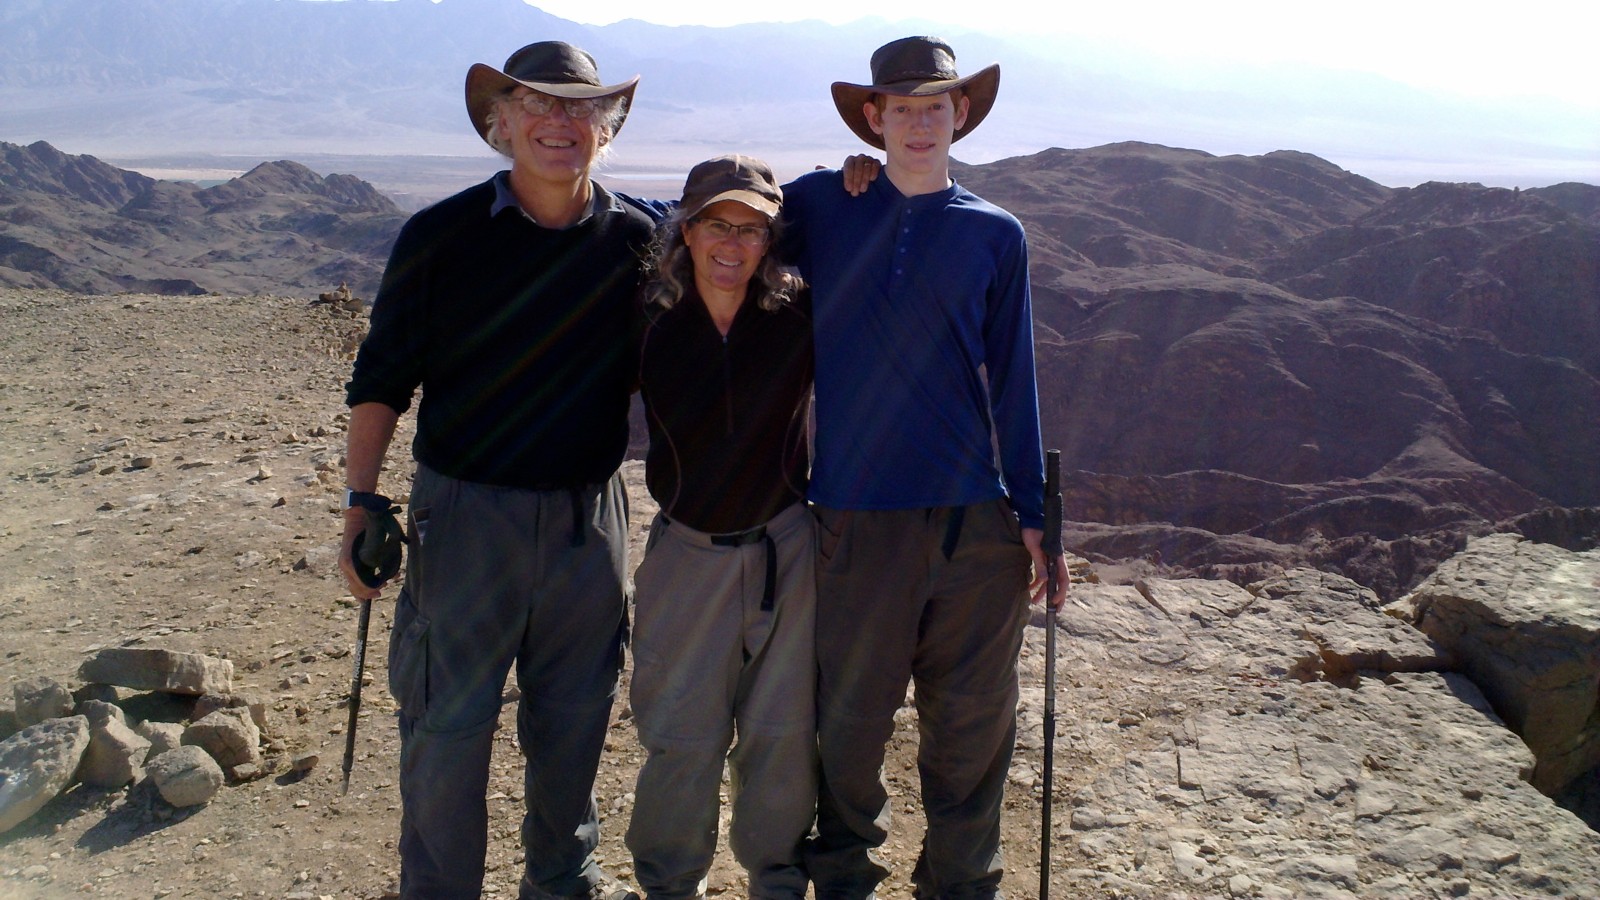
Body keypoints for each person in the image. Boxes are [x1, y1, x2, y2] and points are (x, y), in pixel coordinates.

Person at [339, 41, 652, 900]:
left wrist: (848, 182)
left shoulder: (637, 240)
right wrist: (362, 502)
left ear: (606, 126)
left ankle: (562, 883)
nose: (560, 122)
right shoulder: (439, 238)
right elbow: (381, 380)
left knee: (576, 723)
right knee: (446, 726)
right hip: (464, 517)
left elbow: (746, 233)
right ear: (501, 121)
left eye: (581, 108)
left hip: (591, 522)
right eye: (537, 104)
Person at [777, 36, 1070, 899]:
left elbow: (1014, 376)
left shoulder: (995, 234)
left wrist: (1035, 518)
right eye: (899, 107)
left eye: (934, 106)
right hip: (857, 515)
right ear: (873, 118)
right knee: (849, 726)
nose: (917, 121)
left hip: (974, 523)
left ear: (961, 116)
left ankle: (961, 883)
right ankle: (843, 879)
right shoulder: (822, 204)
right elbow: (721, 218)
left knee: (974, 729)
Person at [625, 155, 817, 899]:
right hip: (686, 554)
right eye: (716, 224)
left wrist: (858, 171)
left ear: (772, 239)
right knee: (680, 739)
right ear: (687, 229)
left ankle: (776, 881)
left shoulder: (796, 314)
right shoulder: (648, 319)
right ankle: (670, 883)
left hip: (786, 549)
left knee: (783, 736)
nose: (732, 243)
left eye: (752, 227)